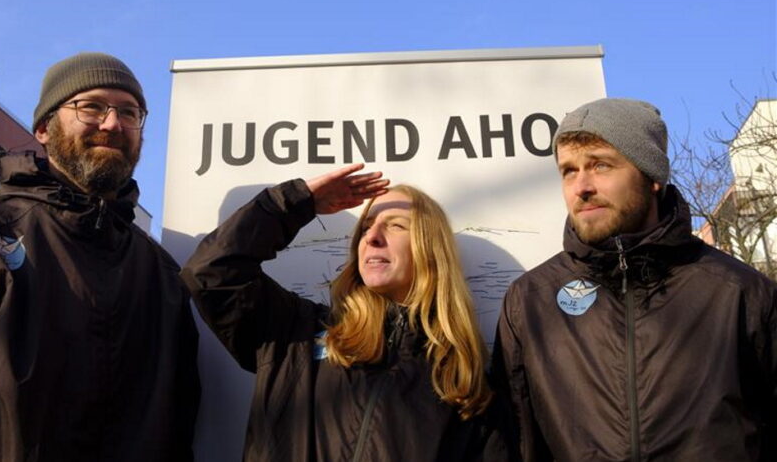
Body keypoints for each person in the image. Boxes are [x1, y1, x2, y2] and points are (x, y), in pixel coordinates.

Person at [0, 52, 200, 461]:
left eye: (129, 112)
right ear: (44, 128)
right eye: (91, 106)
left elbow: (181, 420)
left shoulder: (163, 274)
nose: (113, 124)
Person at [493, 97, 777, 461]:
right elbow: (514, 440)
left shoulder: (740, 293)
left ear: (652, 177)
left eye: (600, 165)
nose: (581, 186)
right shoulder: (531, 301)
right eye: (569, 170)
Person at [182, 165, 509, 461]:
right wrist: (298, 202)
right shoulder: (296, 331)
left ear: (431, 249)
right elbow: (211, 272)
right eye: (366, 228)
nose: (373, 237)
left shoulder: (462, 376)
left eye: (395, 225)